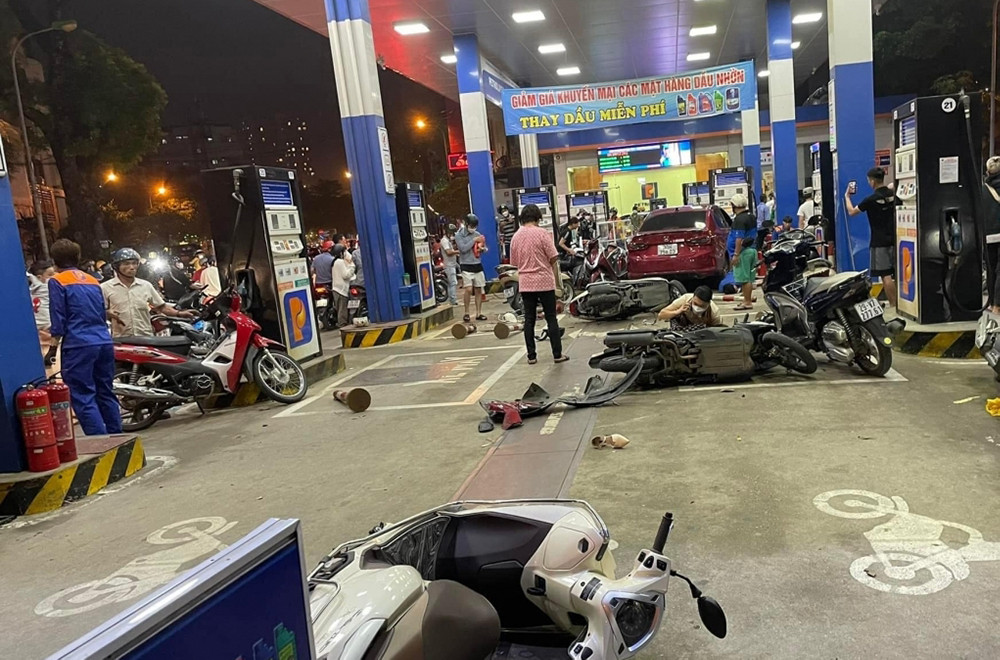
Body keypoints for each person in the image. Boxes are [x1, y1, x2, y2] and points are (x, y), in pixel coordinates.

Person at [47, 239, 122, 436]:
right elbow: (100, 311)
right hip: (103, 341)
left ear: (54, 260)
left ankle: (99, 440)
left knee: (82, 394)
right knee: (105, 391)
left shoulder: (57, 281)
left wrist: (52, 349)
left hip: (78, 344)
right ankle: (118, 436)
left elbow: (58, 317)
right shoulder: (92, 280)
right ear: (78, 257)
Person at [509, 204, 568, 365]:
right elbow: (553, 257)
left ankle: (531, 356)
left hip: (526, 283)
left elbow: (514, 262)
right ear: (537, 218)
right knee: (551, 317)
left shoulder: (516, 237)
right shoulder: (542, 234)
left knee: (529, 319)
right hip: (544, 282)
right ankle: (557, 354)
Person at [101, 247, 195, 338]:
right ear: (116, 266)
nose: (132, 267)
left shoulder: (145, 286)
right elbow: (98, 312)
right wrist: (107, 313)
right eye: (126, 264)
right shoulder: (105, 288)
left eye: (134, 263)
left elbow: (161, 307)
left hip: (145, 337)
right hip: (121, 339)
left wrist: (179, 313)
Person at [845, 167, 900, 308]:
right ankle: (902, 305)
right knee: (899, 274)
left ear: (873, 181)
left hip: (879, 242)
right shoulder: (894, 195)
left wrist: (847, 197)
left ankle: (893, 305)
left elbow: (852, 212)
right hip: (897, 240)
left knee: (885, 275)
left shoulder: (870, 200)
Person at [455, 213, 488, 322]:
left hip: (477, 264)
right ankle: (467, 312)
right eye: (471, 226)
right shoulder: (459, 235)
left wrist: (482, 249)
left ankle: (479, 313)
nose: (473, 228)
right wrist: (474, 240)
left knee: (478, 289)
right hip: (466, 264)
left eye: (474, 226)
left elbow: (483, 247)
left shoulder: (477, 234)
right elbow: (463, 249)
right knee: (468, 289)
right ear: (466, 224)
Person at [727, 194, 757, 311]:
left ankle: (747, 302)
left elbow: (739, 238)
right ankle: (746, 300)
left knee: (744, 279)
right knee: (748, 278)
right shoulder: (751, 216)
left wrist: (736, 254)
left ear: (734, 206)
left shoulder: (739, 220)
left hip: (743, 252)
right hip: (752, 250)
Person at [28, 260, 55, 366]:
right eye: (50, 275)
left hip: (41, 328)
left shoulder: (29, 289)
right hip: (46, 327)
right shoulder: (46, 287)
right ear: (39, 277)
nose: (53, 277)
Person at [657, 286, 723, 330]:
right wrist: (678, 311)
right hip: (681, 331)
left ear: (708, 303)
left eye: (702, 306)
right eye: (695, 303)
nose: (697, 308)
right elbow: (661, 315)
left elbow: (717, 331)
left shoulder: (714, 312)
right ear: (692, 298)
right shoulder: (684, 299)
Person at [983, 157, 1000, 312]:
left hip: (989, 235)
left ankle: (992, 302)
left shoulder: (983, 189)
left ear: (988, 172)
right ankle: (998, 305)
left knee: (991, 268)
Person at [330, 244, 356, 328]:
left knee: (340, 310)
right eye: (344, 251)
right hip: (341, 290)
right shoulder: (340, 262)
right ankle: (343, 327)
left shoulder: (335, 262)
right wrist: (352, 267)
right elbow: (345, 275)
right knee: (342, 311)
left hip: (336, 289)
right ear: (340, 253)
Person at [440, 223, 460, 305]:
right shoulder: (444, 241)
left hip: (452, 263)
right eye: (451, 232)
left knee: (451, 283)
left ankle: (452, 299)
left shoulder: (448, 240)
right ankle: (453, 300)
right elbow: (448, 252)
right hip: (449, 265)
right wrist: (458, 251)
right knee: (453, 283)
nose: (452, 234)